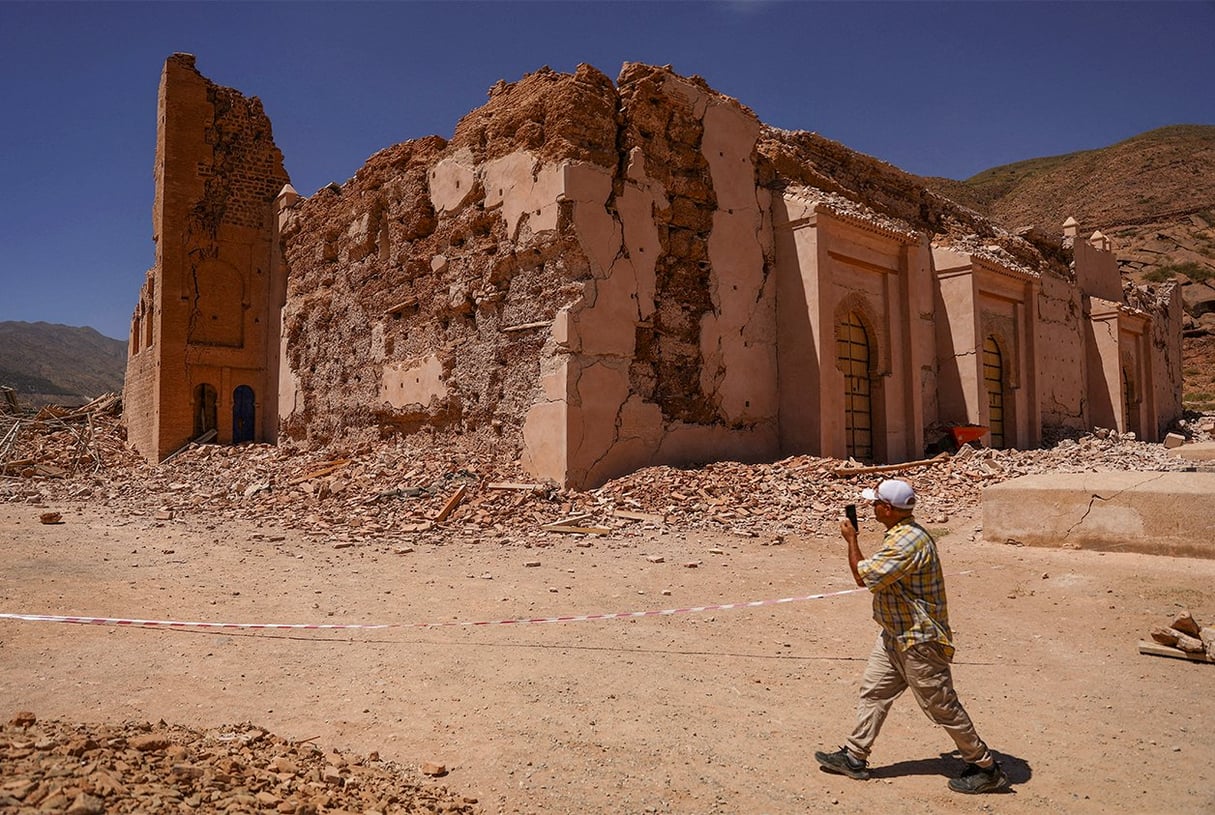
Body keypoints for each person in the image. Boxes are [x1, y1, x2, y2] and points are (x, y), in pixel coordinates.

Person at [814, 478, 1007, 794]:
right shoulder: (901, 533)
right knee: (874, 692)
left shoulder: (906, 543)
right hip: (895, 635)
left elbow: (863, 576)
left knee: (942, 706)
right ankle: (854, 756)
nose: (871, 507)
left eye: (875, 503)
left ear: (887, 509)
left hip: (918, 640)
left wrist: (851, 539)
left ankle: (986, 767)